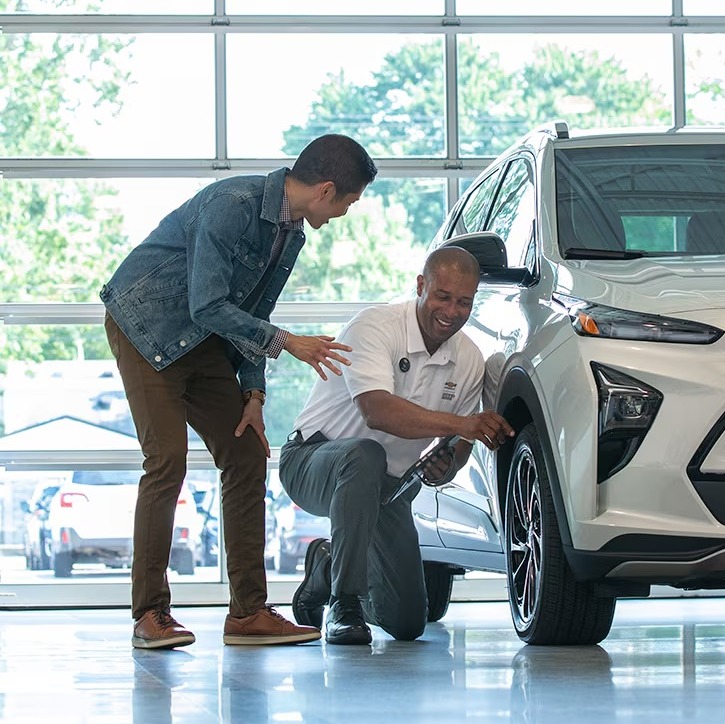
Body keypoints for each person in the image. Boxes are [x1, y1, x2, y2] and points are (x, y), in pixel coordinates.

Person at [101, 134, 378, 649]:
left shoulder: (291, 233)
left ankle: (248, 613)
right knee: (167, 460)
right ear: (325, 190)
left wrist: (253, 395)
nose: (346, 212)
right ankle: (150, 615)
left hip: (202, 339)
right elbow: (209, 304)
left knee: (247, 452)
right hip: (146, 328)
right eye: (349, 201)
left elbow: (254, 314)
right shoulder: (233, 206)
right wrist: (288, 344)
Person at [279, 246, 514, 645]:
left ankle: (327, 566)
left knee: (407, 623)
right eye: (443, 296)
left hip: (388, 487)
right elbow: (377, 412)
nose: (452, 311)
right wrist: (464, 425)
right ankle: (344, 603)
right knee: (364, 454)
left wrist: (449, 465)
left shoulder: (470, 359)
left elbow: (457, 444)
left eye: (464, 302)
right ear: (421, 285)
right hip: (313, 461)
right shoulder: (375, 326)